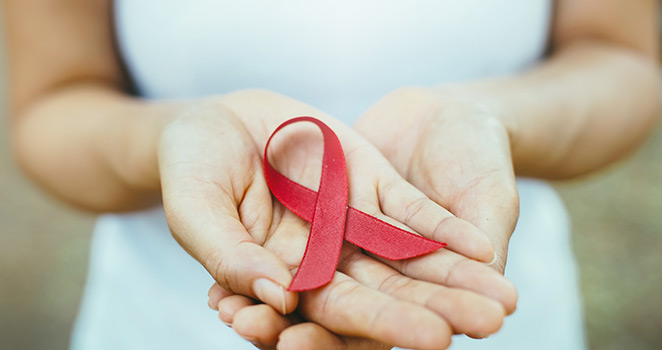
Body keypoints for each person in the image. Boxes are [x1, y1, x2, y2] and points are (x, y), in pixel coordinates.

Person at [3, 0, 659, 349]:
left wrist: (492, 119)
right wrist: (171, 139)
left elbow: (621, 61)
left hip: (484, 296)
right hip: (165, 327)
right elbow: (52, 106)